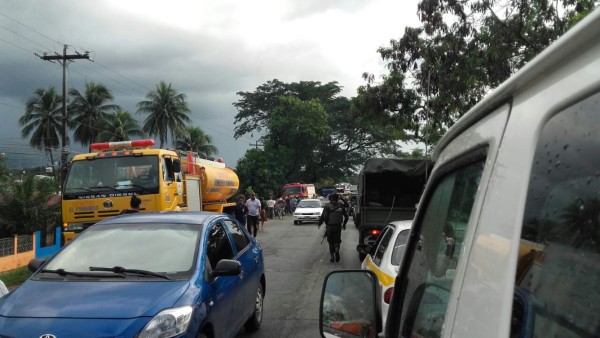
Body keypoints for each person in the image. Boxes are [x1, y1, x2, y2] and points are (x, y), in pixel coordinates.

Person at [319, 193, 349, 263]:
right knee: (337, 240)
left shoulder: (327, 206)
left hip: (330, 226)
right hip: (338, 226)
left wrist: (326, 224)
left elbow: (325, 217)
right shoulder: (341, 206)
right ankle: (337, 248)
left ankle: (332, 257)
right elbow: (347, 217)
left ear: (331, 199)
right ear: (337, 198)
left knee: (330, 242)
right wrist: (344, 224)